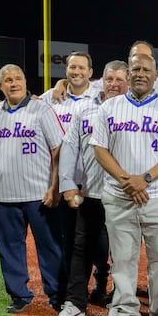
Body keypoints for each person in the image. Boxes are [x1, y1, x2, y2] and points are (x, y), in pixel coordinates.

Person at [91, 52, 158, 316]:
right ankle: (124, 312)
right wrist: (127, 181)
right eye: (136, 70)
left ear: (156, 76)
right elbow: (100, 149)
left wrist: (144, 179)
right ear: (129, 74)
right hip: (120, 195)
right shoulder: (109, 108)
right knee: (123, 257)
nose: (141, 74)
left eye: (147, 70)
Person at [51, 60, 129, 316]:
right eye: (110, 79)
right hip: (91, 192)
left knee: (123, 252)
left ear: (128, 82)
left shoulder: (133, 109)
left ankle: (120, 303)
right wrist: (68, 185)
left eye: (120, 79)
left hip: (123, 194)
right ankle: (74, 303)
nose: (114, 84)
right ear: (102, 81)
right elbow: (70, 148)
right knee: (81, 249)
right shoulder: (84, 108)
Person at [0, 64, 66, 313]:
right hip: (4, 194)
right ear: (1, 86)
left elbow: (58, 149)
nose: (14, 83)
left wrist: (55, 187)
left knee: (50, 245)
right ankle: (19, 295)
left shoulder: (41, 109)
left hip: (39, 193)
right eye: (8, 80)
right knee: (9, 247)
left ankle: (57, 294)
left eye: (18, 78)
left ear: (25, 81)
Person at [39, 51, 97, 293]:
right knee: (64, 239)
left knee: (96, 242)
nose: (77, 72)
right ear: (66, 71)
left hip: (92, 183)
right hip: (60, 182)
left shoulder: (100, 98)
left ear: (91, 73)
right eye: (72, 67)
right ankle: (67, 290)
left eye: (82, 68)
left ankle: (100, 282)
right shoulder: (48, 99)